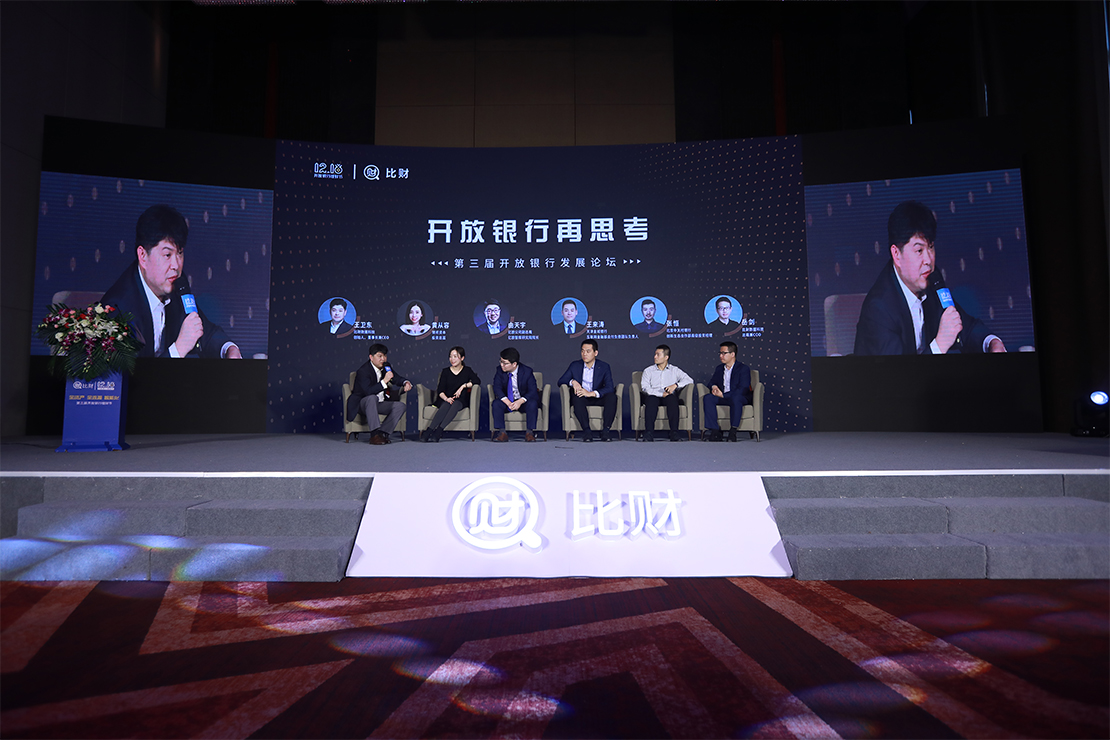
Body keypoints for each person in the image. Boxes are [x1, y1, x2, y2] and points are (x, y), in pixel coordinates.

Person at [854, 200, 1006, 356]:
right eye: (919, 250)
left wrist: (992, 342)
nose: (928, 260)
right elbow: (896, 370)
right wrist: (940, 344)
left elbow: (965, 326)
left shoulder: (931, 280)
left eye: (931, 247)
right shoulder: (878, 309)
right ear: (896, 254)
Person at [102, 204, 241, 359]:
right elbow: (131, 373)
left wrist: (229, 349)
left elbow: (206, 332)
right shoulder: (117, 309)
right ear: (143, 256)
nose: (176, 265)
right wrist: (179, 348)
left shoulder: (176, 285)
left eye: (180, 253)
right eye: (167, 255)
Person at [346, 343, 412, 445]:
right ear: (371, 357)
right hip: (362, 403)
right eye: (379, 356)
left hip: (379, 403)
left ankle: (383, 433)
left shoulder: (386, 367)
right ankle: (374, 435)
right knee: (372, 398)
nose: (383, 359)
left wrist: (405, 383)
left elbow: (396, 378)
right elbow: (368, 392)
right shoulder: (363, 371)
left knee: (400, 406)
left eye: (385, 356)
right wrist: (384, 381)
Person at [559, 338, 616, 442]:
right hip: (582, 397)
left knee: (612, 397)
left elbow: (609, 387)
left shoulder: (604, 366)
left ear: (595, 353)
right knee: (577, 398)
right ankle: (587, 431)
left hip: (596, 397)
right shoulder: (575, 365)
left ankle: (605, 431)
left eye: (588, 351)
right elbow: (561, 381)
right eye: (582, 351)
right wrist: (573, 382)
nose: (584, 354)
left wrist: (592, 393)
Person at [423, 346, 480, 442]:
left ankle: (439, 431)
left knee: (455, 404)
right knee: (447, 404)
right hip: (446, 398)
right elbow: (440, 390)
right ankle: (429, 431)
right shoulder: (445, 371)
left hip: (460, 400)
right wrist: (446, 398)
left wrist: (463, 386)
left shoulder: (467, 370)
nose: (452, 359)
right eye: (450, 356)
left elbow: (477, 381)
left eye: (455, 356)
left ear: (462, 358)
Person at [639, 344, 693, 442]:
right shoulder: (648, 371)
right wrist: (660, 394)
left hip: (668, 396)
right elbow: (645, 388)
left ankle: (674, 433)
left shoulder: (674, 370)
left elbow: (689, 380)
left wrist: (675, 385)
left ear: (666, 357)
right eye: (655, 354)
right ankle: (649, 433)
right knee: (651, 400)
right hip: (654, 395)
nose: (655, 357)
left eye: (658, 355)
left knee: (672, 399)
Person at [702, 341, 751, 442]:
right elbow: (711, 382)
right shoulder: (719, 368)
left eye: (724, 353)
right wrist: (714, 387)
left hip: (738, 397)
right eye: (720, 353)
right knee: (708, 398)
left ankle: (733, 431)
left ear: (732, 354)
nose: (721, 356)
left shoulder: (743, 368)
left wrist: (724, 395)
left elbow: (743, 388)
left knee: (736, 398)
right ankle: (715, 431)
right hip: (722, 396)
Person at [491, 347, 540, 442]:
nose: (502, 365)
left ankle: (529, 433)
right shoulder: (499, 370)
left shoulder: (527, 371)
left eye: (505, 363)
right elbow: (497, 388)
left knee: (532, 404)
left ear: (514, 364)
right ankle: (502, 433)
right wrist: (508, 402)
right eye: (501, 362)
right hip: (507, 401)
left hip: (522, 402)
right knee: (496, 404)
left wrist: (520, 401)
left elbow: (533, 390)